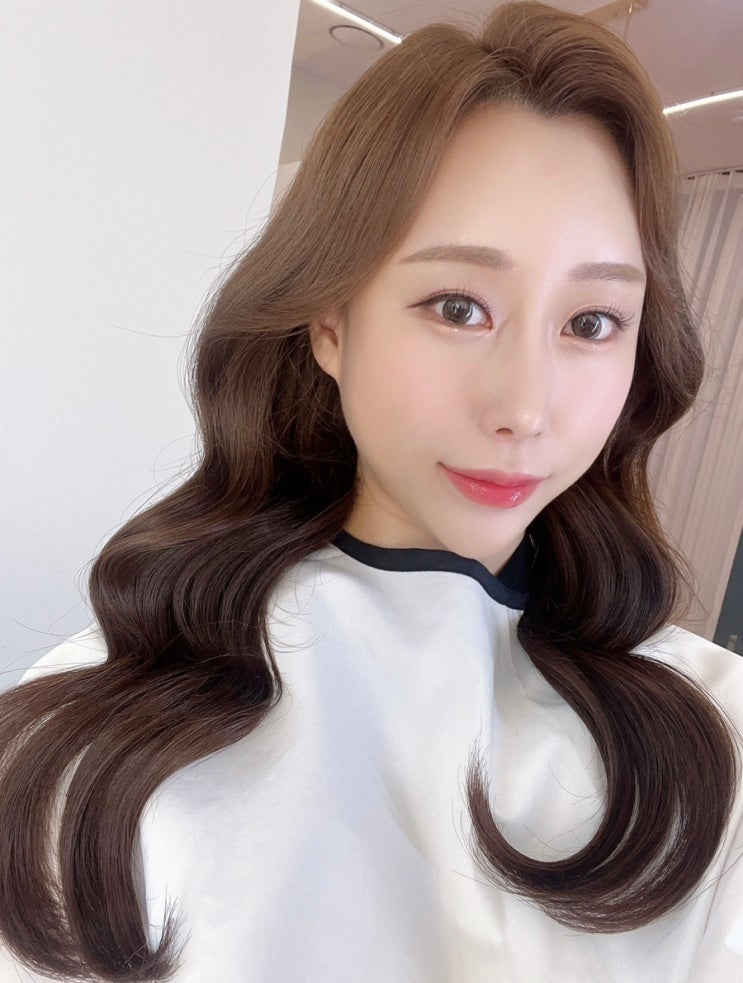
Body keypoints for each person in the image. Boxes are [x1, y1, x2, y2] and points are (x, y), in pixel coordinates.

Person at [1, 2, 742, 981]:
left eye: (591, 323)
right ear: (330, 323)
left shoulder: (714, 735)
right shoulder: (92, 731)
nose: (524, 407)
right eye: (457, 306)